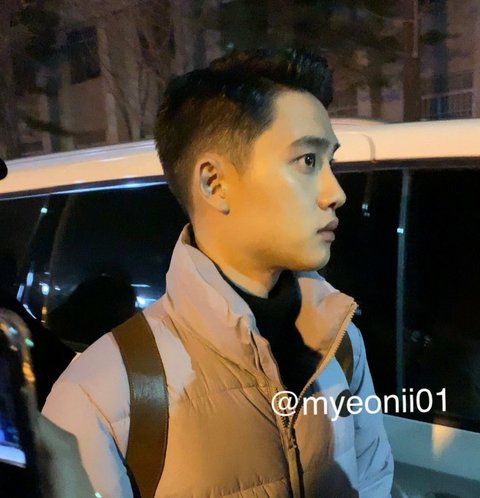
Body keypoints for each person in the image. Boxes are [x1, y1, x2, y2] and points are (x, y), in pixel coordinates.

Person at [42, 49, 394, 497]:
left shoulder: (340, 342)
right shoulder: (98, 395)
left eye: (331, 163)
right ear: (215, 183)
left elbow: (375, 482)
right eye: (308, 161)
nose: (336, 192)